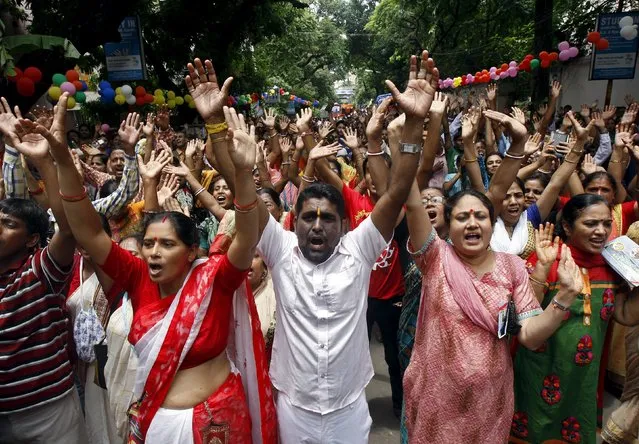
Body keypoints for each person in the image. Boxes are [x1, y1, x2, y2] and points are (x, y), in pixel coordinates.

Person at [44, 88, 277, 442]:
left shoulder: (214, 278)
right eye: (149, 243)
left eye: (167, 244)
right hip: (156, 421)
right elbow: (89, 229)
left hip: (220, 421)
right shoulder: (137, 278)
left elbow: (246, 235)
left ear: (190, 252)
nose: (153, 251)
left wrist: (244, 174)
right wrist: (60, 158)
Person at [256, 50, 439, 442]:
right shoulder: (278, 248)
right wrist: (223, 136)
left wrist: (414, 128)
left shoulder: (360, 247)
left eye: (327, 218)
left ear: (345, 224)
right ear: (294, 221)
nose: (317, 226)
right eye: (308, 217)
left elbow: (397, 192)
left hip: (349, 411)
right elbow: (245, 201)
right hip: (294, 409)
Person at [403, 109, 587, 442]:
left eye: (480, 216)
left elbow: (530, 335)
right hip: (437, 401)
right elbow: (412, 199)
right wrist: (414, 129)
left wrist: (563, 298)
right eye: (461, 218)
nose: (472, 223)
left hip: (491, 403)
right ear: (448, 225)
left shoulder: (512, 266)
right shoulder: (435, 258)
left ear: (492, 222)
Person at [512, 194, 639, 444]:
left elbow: (624, 314)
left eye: (605, 223)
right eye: (590, 224)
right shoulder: (546, 259)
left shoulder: (614, 264)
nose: (601, 231)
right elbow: (523, 315)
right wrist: (544, 274)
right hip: (539, 373)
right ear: (568, 227)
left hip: (584, 378)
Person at [0, 96, 87, 442]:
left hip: (49, 412)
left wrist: (45, 163)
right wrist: (10, 147)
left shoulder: (40, 273)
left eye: (8, 225)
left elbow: (67, 228)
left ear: (33, 239)